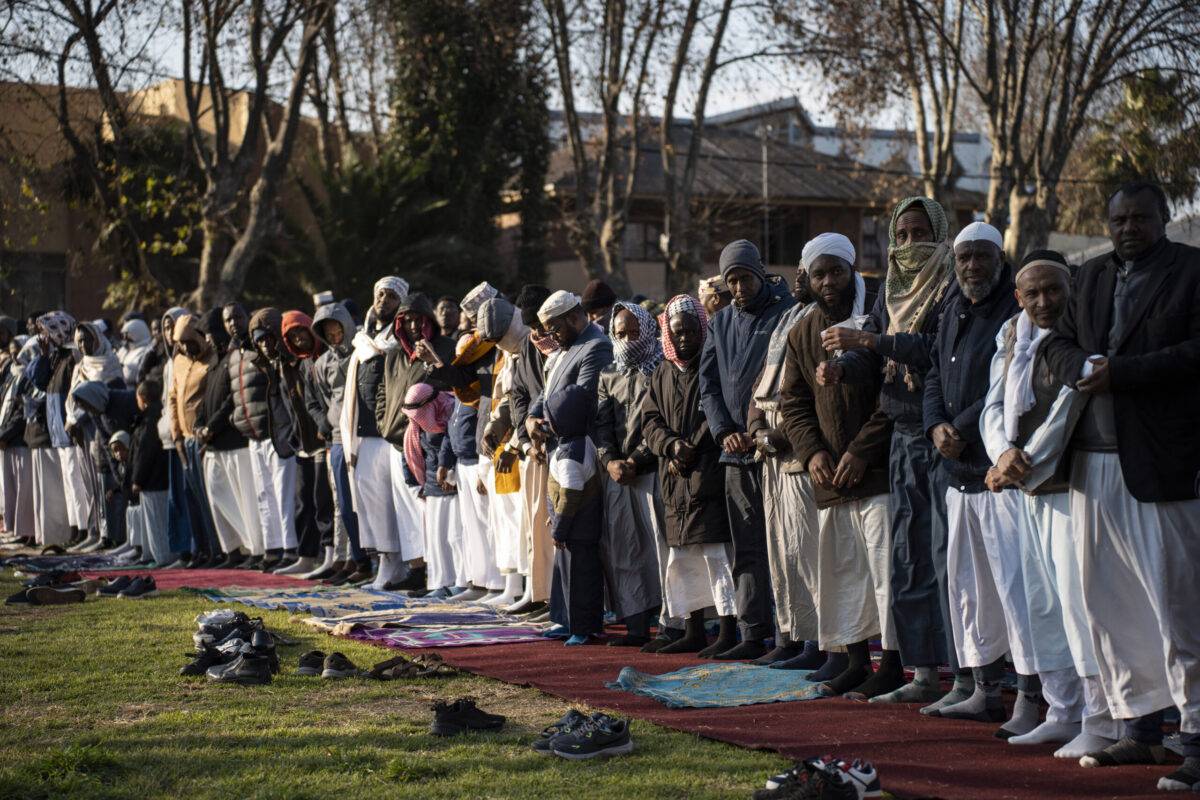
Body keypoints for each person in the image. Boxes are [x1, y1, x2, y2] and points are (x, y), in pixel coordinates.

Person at [1042, 181, 1200, 792]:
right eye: (1118, 218)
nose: (1128, 227)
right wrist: (1078, 367)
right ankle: (1138, 729)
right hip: (1092, 463)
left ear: (1164, 218)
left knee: (1178, 608)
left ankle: (1196, 739)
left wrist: (1123, 374)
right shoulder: (1090, 276)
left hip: (1163, 465)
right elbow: (1056, 342)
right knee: (1107, 604)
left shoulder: (1191, 271)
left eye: (1140, 217)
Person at [823, 196, 962, 706]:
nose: (908, 244)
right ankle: (921, 672)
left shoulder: (950, 283)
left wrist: (870, 344)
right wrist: (843, 366)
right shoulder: (893, 290)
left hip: (939, 433)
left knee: (947, 555)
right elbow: (875, 351)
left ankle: (969, 676)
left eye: (919, 232)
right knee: (907, 560)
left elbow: (932, 351)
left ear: (940, 233)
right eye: (900, 234)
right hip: (901, 439)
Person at [980, 250, 1119, 758]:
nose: (1043, 301)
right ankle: (1063, 711)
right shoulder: (1012, 334)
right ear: (1018, 297)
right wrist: (1001, 451)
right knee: (1043, 604)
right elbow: (994, 402)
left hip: (1067, 481)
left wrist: (1021, 461)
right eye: (1032, 293)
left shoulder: (1081, 333)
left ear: (1070, 290)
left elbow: (1068, 405)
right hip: (1023, 484)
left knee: (1080, 603)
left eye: (1053, 290)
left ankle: (1102, 719)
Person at [780, 232, 900, 696]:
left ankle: (892, 663)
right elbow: (793, 403)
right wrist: (812, 452)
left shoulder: (878, 316)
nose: (828, 281)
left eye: (836, 271)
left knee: (883, 573)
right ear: (807, 279)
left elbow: (894, 393)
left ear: (852, 271)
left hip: (876, 469)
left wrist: (860, 450)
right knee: (844, 573)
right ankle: (855, 660)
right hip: (830, 475)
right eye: (819, 274)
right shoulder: (802, 331)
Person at [922, 221, 1022, 726]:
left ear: (998, 260)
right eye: (964, 258)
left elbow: (1006, 382)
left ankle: (1024, 693)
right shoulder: (951, 307)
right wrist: (936, 424)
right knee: (968, 586)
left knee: (1011, 587)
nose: (972, 267)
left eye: (981, 257)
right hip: (956, 471)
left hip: (996, 472)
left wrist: (958, 426)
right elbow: (936, 373)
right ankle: (983, 688)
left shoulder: (1014, 309)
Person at [699, 239, 796, 660]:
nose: (738, 288)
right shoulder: (719, 323)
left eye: (744, 278)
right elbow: (709, 385)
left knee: (785, 545)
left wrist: (763, 430)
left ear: (760, 273)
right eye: (731, 281)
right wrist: (723, 432)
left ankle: (792, 636)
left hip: (778, 448)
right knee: (747, 548)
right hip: (735, 452)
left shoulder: (785, 313)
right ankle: (752, 633)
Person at [642, 294, 738, 655]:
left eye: (691, 331)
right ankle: (693, 629)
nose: (684, 339)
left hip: (709, 472)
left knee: (718, 560)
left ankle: (729, 632)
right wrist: (669, 446)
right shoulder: (662, 372)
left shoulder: (714, 362)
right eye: (677, 333)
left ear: (703, 328)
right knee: (683, 562)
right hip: (675, 479)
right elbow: (649, 421)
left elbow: (720, 409)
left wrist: (689, 447)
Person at [747, 255, 822, 669]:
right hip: (770, 450)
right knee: (781, 552)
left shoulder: (823, 318)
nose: (800, 278)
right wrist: (757, 428)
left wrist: (783, 434)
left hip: (799, 447)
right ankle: (790, 636)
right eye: (802, 269)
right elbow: (760, 388)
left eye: (809, 271)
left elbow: (813, 398)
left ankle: (816, 642)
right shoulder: (787, 318)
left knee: (807, 550)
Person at [595, 300, 666, 648]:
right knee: (624, 551)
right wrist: (610, 460)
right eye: (620, 334)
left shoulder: (662, 368)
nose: (627, 340)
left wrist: (636, 461)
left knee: (661, 550)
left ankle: (672, 626)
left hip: (654, 472)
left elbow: (663, 422)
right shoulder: (609, 373)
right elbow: (602, 425)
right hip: (617, 475)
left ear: (648, 330)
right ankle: (636, 626)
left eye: (634, 332)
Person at [376, 292, 456, 590]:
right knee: (409, 511)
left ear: (428, 321)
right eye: (405, 320)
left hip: (434, 440)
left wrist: (431, 361)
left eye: (416, 320)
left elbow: (450, 390)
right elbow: (383, 393)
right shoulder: (396, 354)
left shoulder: (445, 348)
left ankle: (439, 574)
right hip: (400, 440)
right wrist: (385, 421)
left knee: (432, 512)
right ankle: (417, 568)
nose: (411, 326)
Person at [340, 276, 408, 587]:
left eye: (392, 296)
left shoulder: (400, 337)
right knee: (369, 500)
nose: (383, 300)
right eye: (380, 293)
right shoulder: (363, 339)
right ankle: (383, 561)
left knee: (391, 502)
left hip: (390, 432)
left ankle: (399, 565)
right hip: (365, 431)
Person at [194, 305, 258, 569]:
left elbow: (233, 400)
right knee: (219, 499)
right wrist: (200, 426)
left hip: (234, 441)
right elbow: (205, 402)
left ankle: (252, 550)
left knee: (245, 502)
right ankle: (232, 550)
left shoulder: (237, 356)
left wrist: (211, 427)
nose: (207, 339)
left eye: (209, 333)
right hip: (214, 445)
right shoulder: (215, 363)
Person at [308, 301, 368, 583]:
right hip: (337, 438)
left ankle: (369, 559)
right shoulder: (321, 364)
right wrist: (326, 423)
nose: (334, 336)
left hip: (363, 434)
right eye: (328, 333)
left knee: (366, 500)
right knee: (343, 503)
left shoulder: (363, 351)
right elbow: (319, 399)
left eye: (337, 330)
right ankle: (354, 559)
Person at [543, 383, 606, 646]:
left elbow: (570, 495)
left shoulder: (571, 454)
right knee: (564, 578)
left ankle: (581, 627)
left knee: (580, 581)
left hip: (578, 530)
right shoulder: (576, 442)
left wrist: (560, 528)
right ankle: (565, 621)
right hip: (574, 528)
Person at [277, 310, 331, 575]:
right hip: (303, 443)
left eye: (302, 331)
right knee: (303, 501)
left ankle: (329, 555)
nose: (299, 339)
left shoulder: (321, 359)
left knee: (323, 502)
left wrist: (325, 427)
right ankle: (306, 555)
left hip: (324, 438)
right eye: (292, 336)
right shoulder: (290, 365)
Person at [401, 383, 464, 597]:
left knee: (455, 537)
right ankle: (439, 583)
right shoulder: (416, 422)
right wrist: (417, 484)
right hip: (431, 486)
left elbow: (453, 445)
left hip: (451, 485)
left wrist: (450, 472)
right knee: (436, 541)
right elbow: (411, 451)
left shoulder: (448, 409)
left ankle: (459, 582)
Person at [169, 313, 220, 565]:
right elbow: (172, 398)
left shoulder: (211, 360)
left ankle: (215, 550)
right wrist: (176, 436)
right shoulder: (179, 361)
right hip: (184, 441)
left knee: (207, 498)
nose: (187, 347)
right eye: (182, 343)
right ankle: (200, 549)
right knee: (191, 499)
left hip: (204, 440)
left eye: (191, 341)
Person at [26, 311, 76, 549]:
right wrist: (43, 356)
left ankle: (72, 534)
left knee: (69, 489)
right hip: (56, 433)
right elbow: (36, 379)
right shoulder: (53, 357)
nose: (42, 336)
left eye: (46, 331)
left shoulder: (71, 356)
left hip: (68, 432)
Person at [127, 379, 175, 566]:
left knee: (157, 523)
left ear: (143, 398)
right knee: (153, 522)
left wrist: (138, 478)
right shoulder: (153, 416)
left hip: (153, 480)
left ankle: (163, 557)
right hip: (156, 478)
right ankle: (155, 555)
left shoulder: (149, 421)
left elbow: (144, 453)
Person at [0, 337, 37, 543]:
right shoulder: (13, 377)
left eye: (19, 351)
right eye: (12, 351)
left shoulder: (29, 378)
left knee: (24, 491)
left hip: (20, 440)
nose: (15, 356)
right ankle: (15, 529)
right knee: (11, 490)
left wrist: (4, 435)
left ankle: (27, 533)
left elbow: (21, 413)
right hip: (7, 441)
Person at [118, 318, 157, 387]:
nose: (125, 338)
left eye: (127, 335)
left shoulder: (146, 350)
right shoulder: (124, 350)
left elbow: (133, 374)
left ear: (137, 333)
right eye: (123, 335)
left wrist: (120, 367)